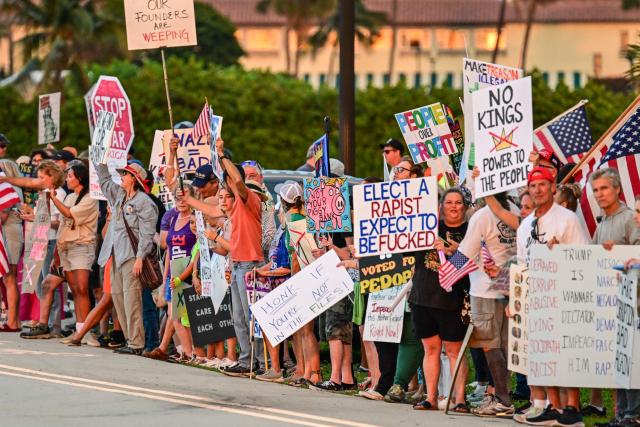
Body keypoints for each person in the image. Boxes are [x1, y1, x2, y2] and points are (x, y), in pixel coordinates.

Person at [178, 138, 264, 376]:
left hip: (250, 264)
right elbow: (210, 210)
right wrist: (186, 198)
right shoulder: (234, 207)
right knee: (237, 317)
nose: (225, 195)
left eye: (228, 191)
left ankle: (258, 361)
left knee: (249, 316)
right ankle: (247, 361)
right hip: (236, 264)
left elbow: (237, 180)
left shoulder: (249, 200)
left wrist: (221, 155)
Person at [515, 166, 589, 426]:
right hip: (536, 297)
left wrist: (561, 254)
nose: (538, 190)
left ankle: (572, 407)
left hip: (564, 294)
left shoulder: (567, 218)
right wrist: (517, 299)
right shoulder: (525, 225)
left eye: (543, 184)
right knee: (543, 354)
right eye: (533, 186)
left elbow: (583, 256)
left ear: (552, 187)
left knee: (566, 352)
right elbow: (522, 266)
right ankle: (554, 406)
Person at [455, 189, 519, 418]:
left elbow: (466, 251)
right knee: (505, 345)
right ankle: (502, 395)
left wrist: (446, 273)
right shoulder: (516, 210)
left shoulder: (482, 215)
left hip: (485, 289)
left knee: (490, 345)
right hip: (512, 286)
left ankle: (503, 399)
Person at [410, 188, 470, 413]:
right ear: (441, 206)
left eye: (458, 202)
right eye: (449, 202)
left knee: (455, 351)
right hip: (423, 298)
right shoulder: (426, 228)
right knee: (431, 349)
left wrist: (455, 250)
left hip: (453, 299)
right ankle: (431, 397)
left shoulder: (469, 231)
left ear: (464, 206)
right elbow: (397, 241)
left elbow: (476, 261)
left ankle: (460, 399)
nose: (453, 206)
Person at [588, 169, 639, 424]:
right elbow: (591, 257)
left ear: (617, 189)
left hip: (633, 304)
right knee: (619, 361)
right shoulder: (603, 222)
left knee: (632, 361)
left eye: (604, 188)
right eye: (596, 190)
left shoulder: (630, 218)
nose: (599, 194)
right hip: (610, 304)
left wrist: (619, 251)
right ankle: (621, 414)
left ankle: (633, 414)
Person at [95, 161, 158, 355]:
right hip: (116, 254)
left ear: (135, 179)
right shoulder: (120, 196)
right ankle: (130, 339)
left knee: (132, 300)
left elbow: (147, 234)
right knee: (118, 297)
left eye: (125, 174)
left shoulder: (144, 201)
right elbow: (105, 183)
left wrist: (140, 258)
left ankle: (137, 343)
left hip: (132, 256)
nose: (121, 176)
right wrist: (101, 162)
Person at [0, 159, 24, 331]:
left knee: (10, 276)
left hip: (10, 232)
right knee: (7, 277)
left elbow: (4, 215)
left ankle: (13, 321)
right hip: (8, 231)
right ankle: (11, 318)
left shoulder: (11, 189)